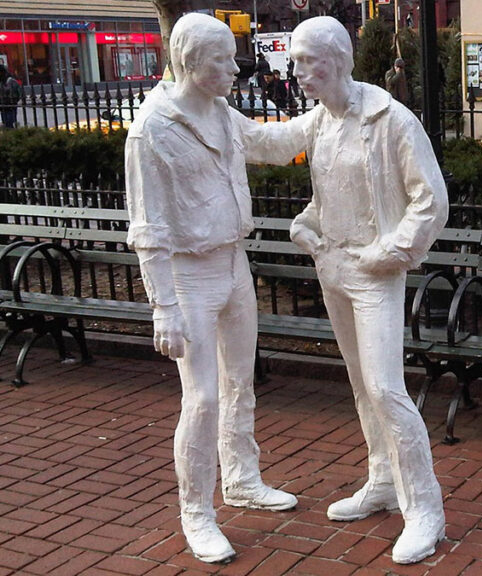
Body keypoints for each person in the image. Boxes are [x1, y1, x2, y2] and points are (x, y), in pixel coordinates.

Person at [241, 16, 448, 565]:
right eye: (296, 62)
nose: (299, 72)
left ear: (339, 59)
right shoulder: (319, 125)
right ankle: (382, 480)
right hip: (334, 271)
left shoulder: (391, 120)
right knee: (360, 385)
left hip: (376, 272)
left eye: (308, 61)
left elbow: (431, 201)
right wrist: (202, 100)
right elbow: (268, 145)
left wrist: (391, 252)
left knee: (386, 389)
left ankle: (425, 508)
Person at [124, 13, 297, 564]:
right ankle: (196, 511)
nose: (233, 66)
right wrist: (163, 308)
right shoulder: (151, 128)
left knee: (240, 382)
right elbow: (147, 229)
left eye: (232, 55)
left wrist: (332, 109)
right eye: (221, 58)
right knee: (201, 399)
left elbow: (270, 143)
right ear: (190, 62)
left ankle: (242, 478)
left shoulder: (220, 112)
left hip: (232, 264)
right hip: (186, 276)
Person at [0, 64, 22, 129]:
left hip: (10, 106)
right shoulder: (2, 81)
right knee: (6, 124)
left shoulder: (11, 81)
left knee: (10, 124)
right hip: (3, 106)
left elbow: (18, 93)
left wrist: (13, 100)